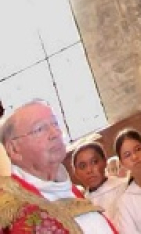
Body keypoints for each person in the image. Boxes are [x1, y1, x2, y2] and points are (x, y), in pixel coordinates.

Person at [0, 100, 115, 234]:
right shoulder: (10, 208)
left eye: (55, 123)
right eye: (40, 129)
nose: (55, 133)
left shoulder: (65, 188)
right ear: (14, 149)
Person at [72, 141, 126, 221]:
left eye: (94, 162)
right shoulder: (82, 206)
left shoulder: (124, 187)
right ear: (76, 173)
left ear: (104, 161)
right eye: (83, 166)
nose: (89, 170)